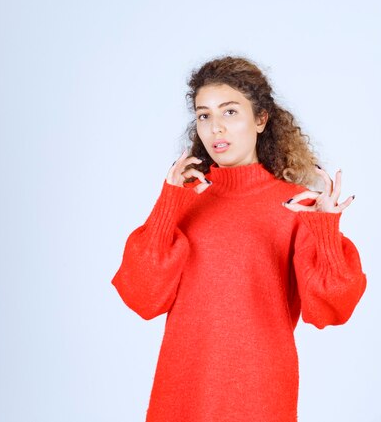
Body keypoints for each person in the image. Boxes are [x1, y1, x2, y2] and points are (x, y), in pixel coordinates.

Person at [111, 55, 367, 422]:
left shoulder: (296, 206)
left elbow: (332, 308)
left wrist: (325, 230)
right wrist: (169, 204)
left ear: (261, 119)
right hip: (183, 392)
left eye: (230, 112)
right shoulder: (185, 199)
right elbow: (142, 296)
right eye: (204, 115)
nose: (216, 128)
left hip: (260, 395)